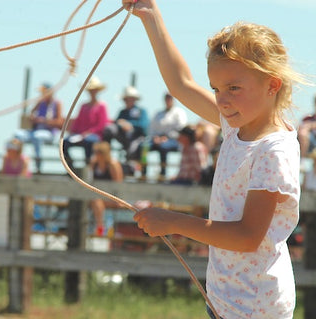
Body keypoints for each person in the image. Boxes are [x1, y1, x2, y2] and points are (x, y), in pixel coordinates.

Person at [123, 1, 306, 317]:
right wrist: (150, 16)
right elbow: (181, 83)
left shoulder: (272, 153)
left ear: (272, 85)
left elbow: (248, 237)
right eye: (217, 88)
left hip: (255, 308)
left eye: (234, 87)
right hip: (226, 300)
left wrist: (173, 221)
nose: (222, 99)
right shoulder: (237, 126)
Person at [15, 82, 64, 174]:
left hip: (49, 133)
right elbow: (31, 114)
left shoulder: (56, 104)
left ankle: (38, 166)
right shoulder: (40, 102)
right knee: (18, 135)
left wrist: (44, 121)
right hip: (35, 131)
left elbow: (59, 122)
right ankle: (17, 164)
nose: (42, 94)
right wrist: (33, 118)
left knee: (37, 137)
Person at [63, 77, 109, 168]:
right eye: (91, 90)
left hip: (94, 135)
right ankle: (70, 166)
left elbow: (101, 125)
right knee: (65, 142)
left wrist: (89, 132)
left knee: (89, 142)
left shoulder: (102, 106)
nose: (92, 92)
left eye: (94, 90)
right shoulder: (83, 106)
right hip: (80, 135)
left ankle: (88, 166)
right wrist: (73, 131)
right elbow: (78, 121)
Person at [141, 92, 186, 179]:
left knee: (163, 147)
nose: (168, 100)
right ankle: (143, 172)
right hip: (156, 139)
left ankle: (163, 173)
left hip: (173, 140)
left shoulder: (179, 113)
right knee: (144, 147)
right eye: (166, 98)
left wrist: (167, 137)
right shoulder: (158, 113)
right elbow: (151, 128)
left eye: (170, 98)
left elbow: (180, 129)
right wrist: (155, 137)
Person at [102, 86, 149, 163]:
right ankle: (106, 155)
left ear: (134, 99)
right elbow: (117, 123)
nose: (128, 101)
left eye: (130, 98)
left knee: (133, 152)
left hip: (137, 139)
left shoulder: (141, 111)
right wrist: (122, 125)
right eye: (126, 99)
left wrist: (130, 125)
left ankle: (136, 170)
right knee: (109, 129)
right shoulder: (122, 112)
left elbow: (144, 127)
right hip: (124, 138)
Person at [88, 141, 124, 236]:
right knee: (95, 201)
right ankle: (99, 227)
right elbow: (91, 181)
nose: (97, 155)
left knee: (96, 201)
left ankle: (100, 227)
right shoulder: (94, 164)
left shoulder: (113, 165)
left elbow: (118, 184)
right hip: (98, 195)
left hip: (112, 197)